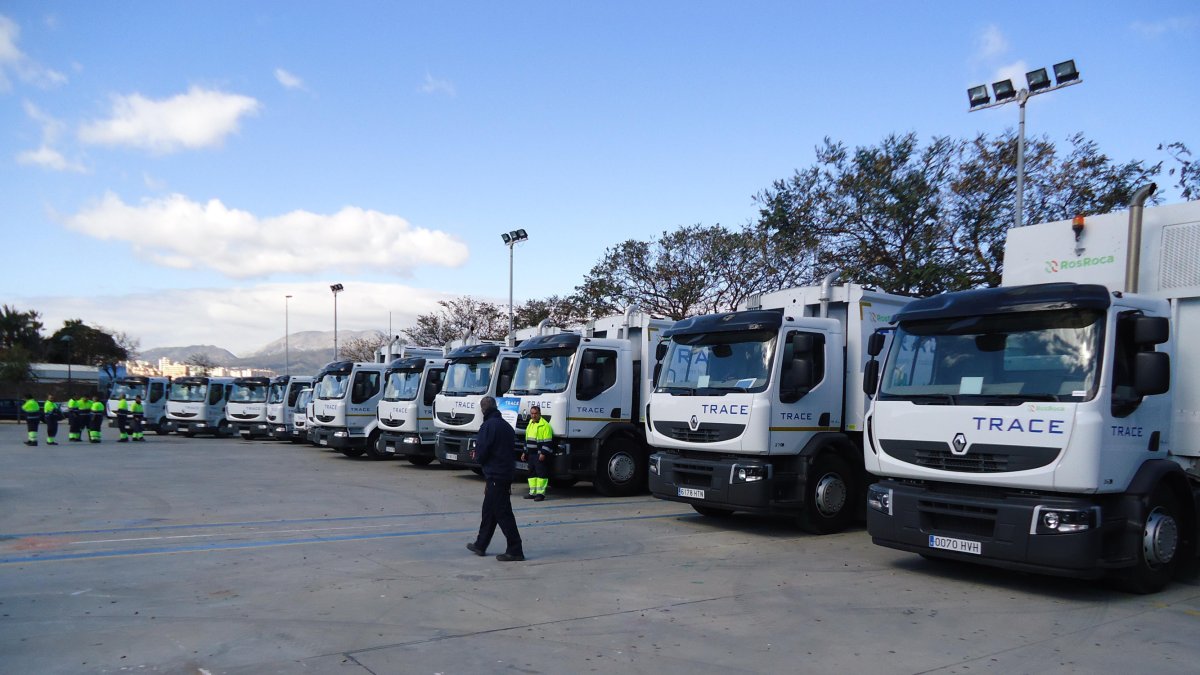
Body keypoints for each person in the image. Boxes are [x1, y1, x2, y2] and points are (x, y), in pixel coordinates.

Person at [466, 396, 524, 561]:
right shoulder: (506, 426)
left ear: (483, 409)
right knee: (489, 511)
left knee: (503, 513)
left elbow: (482, 451)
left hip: (496, 476)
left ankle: (515, 549)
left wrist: (476, 457)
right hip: (504, 474)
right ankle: (481, 544)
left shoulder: (488, 426)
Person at [522, 405, 554, 501]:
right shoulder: (530, 423)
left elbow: (547, 442)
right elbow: (526, 440)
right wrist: (524, 452)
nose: (533, 415)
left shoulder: (545, 425)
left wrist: (543, 453)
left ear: (540, 414)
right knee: (531, 474)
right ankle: (533, 492)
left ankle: (541, 494)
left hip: (539, 454)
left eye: (535, 413)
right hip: (531, 454)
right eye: (532, 413)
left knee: (541, 474)